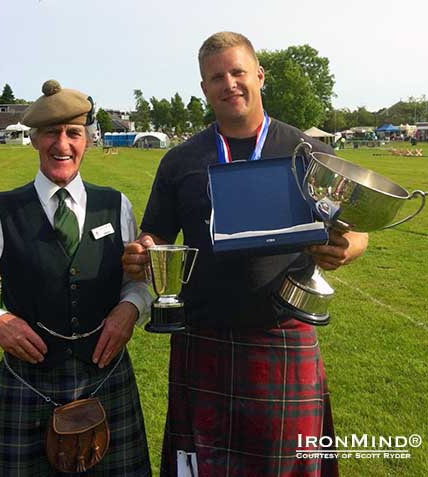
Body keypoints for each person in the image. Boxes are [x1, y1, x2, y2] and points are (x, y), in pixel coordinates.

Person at [123, 32, 369, 477]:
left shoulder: (310, 154)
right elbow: (155, 232)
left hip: (283, 331)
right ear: (204, 88)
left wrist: (345, 248)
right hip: (202, 334)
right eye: (216, 77)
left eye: (238, 72)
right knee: (202, 466)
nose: (229, 83)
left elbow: (359, 232)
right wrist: (145, 250)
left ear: (258, 75)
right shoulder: (181, 160)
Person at [0, 80, 152, 476]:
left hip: (107, 379)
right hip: (28, 383)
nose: (63, 145)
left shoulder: (116, 205)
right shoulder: (0, 210)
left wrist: (131, 307)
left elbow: (136, 279)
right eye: (52, 133)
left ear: (87, 140)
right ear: (35, 139)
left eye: (73, 133)